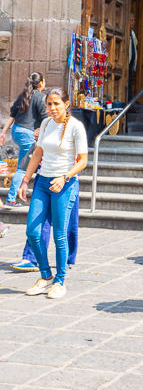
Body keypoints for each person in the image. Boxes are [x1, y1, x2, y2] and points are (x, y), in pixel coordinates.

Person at [18, 88, 88, 299]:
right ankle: (46, 275)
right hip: (42, 182)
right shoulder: (46, 124)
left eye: (56, 104)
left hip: (64, 184)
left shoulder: (76, 127)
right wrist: (25, 179)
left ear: (66, 104)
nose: (52, 108)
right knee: (32, 231)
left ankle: (60, 281)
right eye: (49, 104)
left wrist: (65, 177)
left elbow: (83, 161)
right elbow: (37, 154)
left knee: (59, 235)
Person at [0, 72, 47, 209]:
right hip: (28, 133)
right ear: (41, 83)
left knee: (27, 161)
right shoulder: (41, 97)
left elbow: (12, 115)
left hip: (16, 131)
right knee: (23, 167)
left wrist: (3, 132)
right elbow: (45, 119)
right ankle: (11, 198)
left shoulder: (23, 95)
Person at [128, 13, 138, 101]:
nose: (133, 22)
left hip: (130, 62)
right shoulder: (125, 32)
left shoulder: (132, 33)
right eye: (131, 20)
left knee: (129, 83)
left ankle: (129, 103)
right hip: (125, 62)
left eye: (134, 20)